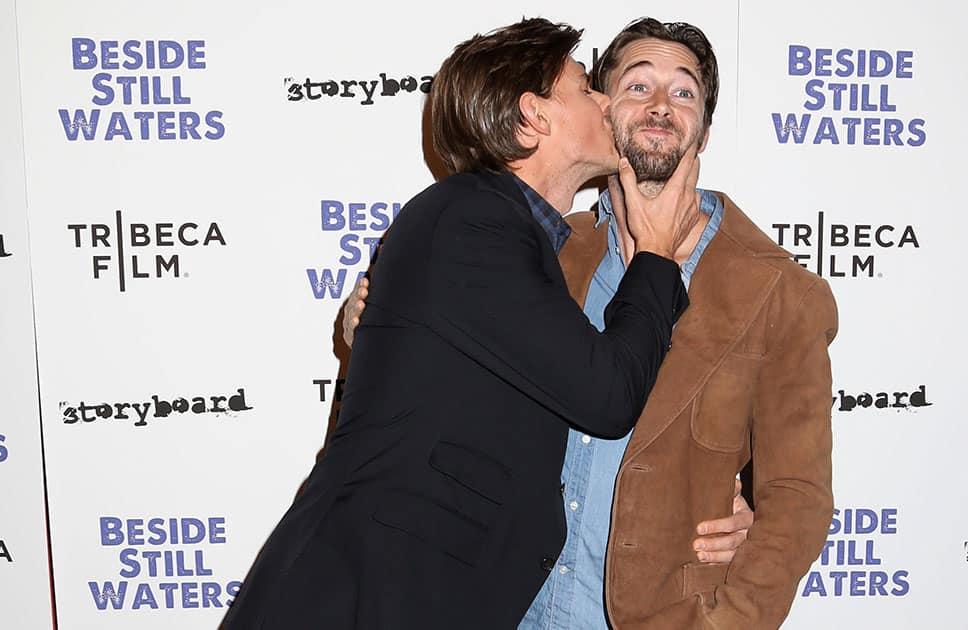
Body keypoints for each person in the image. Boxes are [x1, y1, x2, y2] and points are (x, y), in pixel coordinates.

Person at [344, 17, 838, 630]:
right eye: (637, 86)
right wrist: (371, 311)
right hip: (497, 608)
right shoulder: (538, 251)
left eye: (684, 91)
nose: (660, 105)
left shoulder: (778, 291)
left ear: (704, 129)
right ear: (604, 112)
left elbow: (798, 500)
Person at [223, 18, 703, 630]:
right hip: (368, 600)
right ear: (534, 116)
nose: (607, 103)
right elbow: (607, 395)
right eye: (586, 88)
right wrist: (657, 256)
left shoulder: (501, 232)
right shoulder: (473, 222)